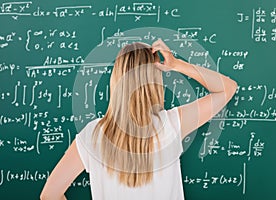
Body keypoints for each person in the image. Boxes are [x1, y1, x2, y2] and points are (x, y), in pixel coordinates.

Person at [40, 39, 237, 200]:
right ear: (153, 80)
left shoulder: (92, 136)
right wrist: (176, 64)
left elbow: (49, 195)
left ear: (116, 79)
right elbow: (227, 88)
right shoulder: (171, 124)